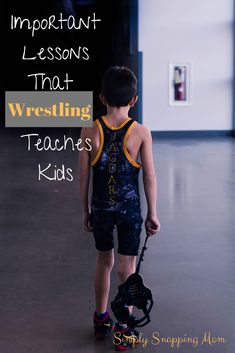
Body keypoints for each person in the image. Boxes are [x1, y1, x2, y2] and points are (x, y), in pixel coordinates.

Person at [79, 66, 160, 351]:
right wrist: (152, 212)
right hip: (129, 210)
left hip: (101, 208)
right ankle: (123, 327)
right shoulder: (140, 132)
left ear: (102, 98)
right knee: (128, 268)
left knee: (104, 262)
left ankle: (101, 318)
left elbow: (84, 176)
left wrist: (85, 210)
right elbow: (149, 176)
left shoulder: (89, 128)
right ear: (134, 100)